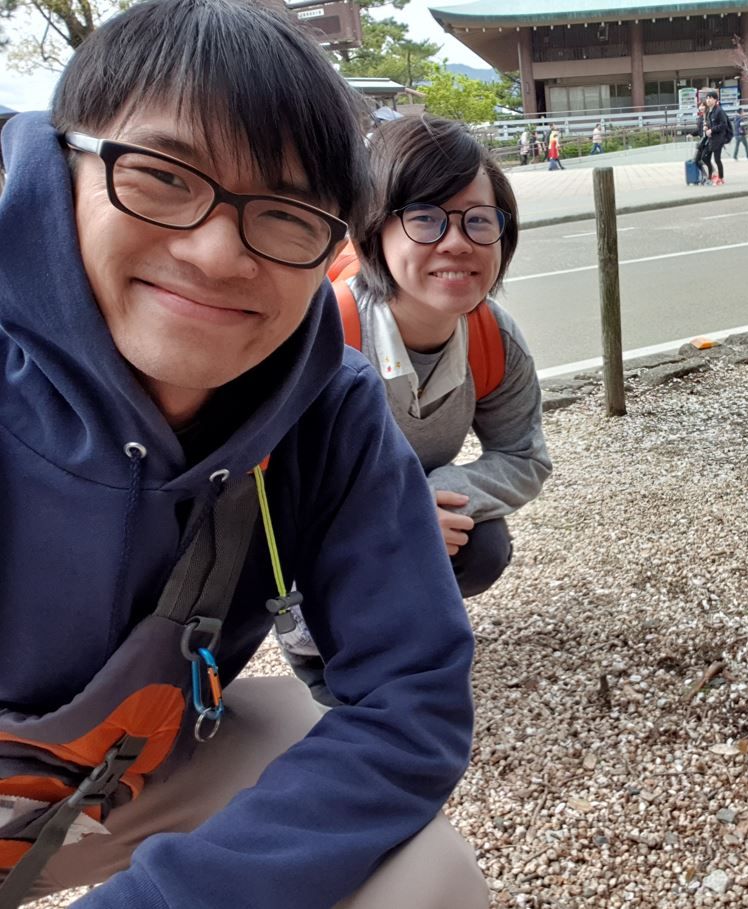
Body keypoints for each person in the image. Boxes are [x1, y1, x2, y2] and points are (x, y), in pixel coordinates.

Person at [0, 1, 487, 907]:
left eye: (286, 211)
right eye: (163, 176)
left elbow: (413, 693)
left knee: (429, 875)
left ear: (329, 248)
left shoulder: (328, 404)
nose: (220, 252)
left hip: (133, 764)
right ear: (61, 168)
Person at [283, 116, 551, 705]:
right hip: (317, 531)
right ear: (374, 232)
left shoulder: (492, 338)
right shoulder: (322, 335)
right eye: (425, 218)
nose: (457, 241)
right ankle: (318, 645)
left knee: (481, 545)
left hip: (412, 503)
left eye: (479, 221)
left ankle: (404, 629)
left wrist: (441, 492)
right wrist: (399, 511)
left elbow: (525, 456)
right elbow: (267, 491)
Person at [702, 89, 728, 185]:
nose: (708, 100)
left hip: (718, 139)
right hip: (711, 139)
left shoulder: (719, 111)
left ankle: (720, 178)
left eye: (710, 98)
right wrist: (706, 127)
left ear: (715, 100)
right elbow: (710, 123)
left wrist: (711, 130)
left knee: (717, 159)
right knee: (704, 157)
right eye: (707, 98)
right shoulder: (710, 111)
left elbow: (724, 124)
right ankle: (712, 174)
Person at [691, 102, 712, 184]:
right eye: (700, 106)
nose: (701, 107)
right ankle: (705, 175)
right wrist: (691, 134)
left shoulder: (709, 115)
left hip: (708, 141)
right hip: (702, 141)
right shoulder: (700, 117)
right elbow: (698, 130)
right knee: (696, 161)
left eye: (703, 105)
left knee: (704, 158)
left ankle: (710, 177)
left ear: (706, 106)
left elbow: (712, 126)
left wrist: (708, 127)